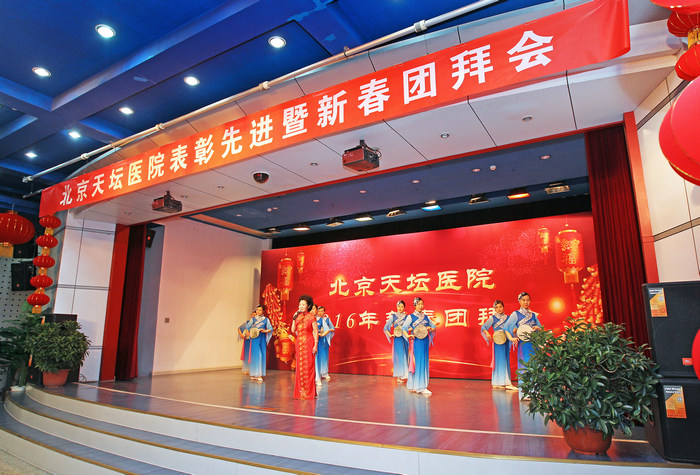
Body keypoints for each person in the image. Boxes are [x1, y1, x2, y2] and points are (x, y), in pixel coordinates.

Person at [510, 292, 543, 400]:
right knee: (525, 366)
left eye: (528, 300)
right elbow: (508, 327)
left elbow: (540, 327)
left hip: (534, 343)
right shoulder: (515, 314)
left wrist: (537, 328)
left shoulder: (533, 315)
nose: (526, 302)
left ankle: (536, 392)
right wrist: (514, 331)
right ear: (519, 301)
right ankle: (526, 393)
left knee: (535, 365)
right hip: (523, 344)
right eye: (523, 300)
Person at [480, 299, 518, 390]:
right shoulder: (493, 318)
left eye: (500, 307)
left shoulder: (508, 318)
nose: (499, 309)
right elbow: (484, 327)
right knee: (499, 361)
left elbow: (515, 327)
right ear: (495, 309)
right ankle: (504, 383)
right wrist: (488, 333)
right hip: (498, 342)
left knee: (505, 360)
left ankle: (500, 382)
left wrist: (512, 331)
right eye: (497, 307)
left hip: (506, 340)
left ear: (503, 307)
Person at [402, 297, 436, 395]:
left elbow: (434, 327)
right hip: (417, 342)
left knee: (424, 363)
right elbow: (404, 328)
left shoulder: (426, 317)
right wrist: (408, 335)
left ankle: (421, 386)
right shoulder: (410, 317)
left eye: (422, 304)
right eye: (418, 304)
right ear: (415, 305)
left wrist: (430, 328)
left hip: (425, 341)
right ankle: (420, 387)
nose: (421, 306)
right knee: (419, 363)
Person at [291, 295, 318, 399]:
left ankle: (309, 392)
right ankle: (300, 392)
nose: (301, 306)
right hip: (299, 344)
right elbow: (293, 330)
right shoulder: (297, 317)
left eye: (303, 304)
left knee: (309, 367)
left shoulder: (311, 317)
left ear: (308, 306)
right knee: (300, 367)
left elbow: (315, 331)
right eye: (300, 304)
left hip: (309, 343)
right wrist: (294, 319)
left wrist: (315, 345)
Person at [383, 300, 410, 383]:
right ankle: (399, 376)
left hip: (404, 338)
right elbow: (386, 327)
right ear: (396, 307)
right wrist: (390, 334)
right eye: (399, 306)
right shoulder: (393, 316)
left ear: (404, 307)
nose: (400, 308)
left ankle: (405, 375)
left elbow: (410, 327)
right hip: (397, 339)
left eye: (402, 306)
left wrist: (406, 331)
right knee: (399, 356)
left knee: (405, 355)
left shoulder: (407, 317)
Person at [246, 305, 273, 382]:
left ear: (263, 311)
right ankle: (254, 374)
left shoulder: (266, 320)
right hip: (255, 339)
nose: (258, 311)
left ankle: (260, 374)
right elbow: (247, 327)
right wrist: (252, 332)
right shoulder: (253, 319)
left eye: (260, 310)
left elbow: (270, 329)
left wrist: (265, 331)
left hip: (262, 339)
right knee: (254, 356)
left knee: (261, 355)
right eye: (257, 310)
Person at [315, 305, 335, 384]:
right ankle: (317, 374)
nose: (320, 312)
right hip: (317, 340)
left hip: (324, 341)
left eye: (322, 311)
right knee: (317, 357)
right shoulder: (315, 319)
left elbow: (333, 329)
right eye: (319, 311)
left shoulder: (326, 319)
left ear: (324, 312)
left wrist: (326, 330)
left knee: (324, 357)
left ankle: (325, 373)